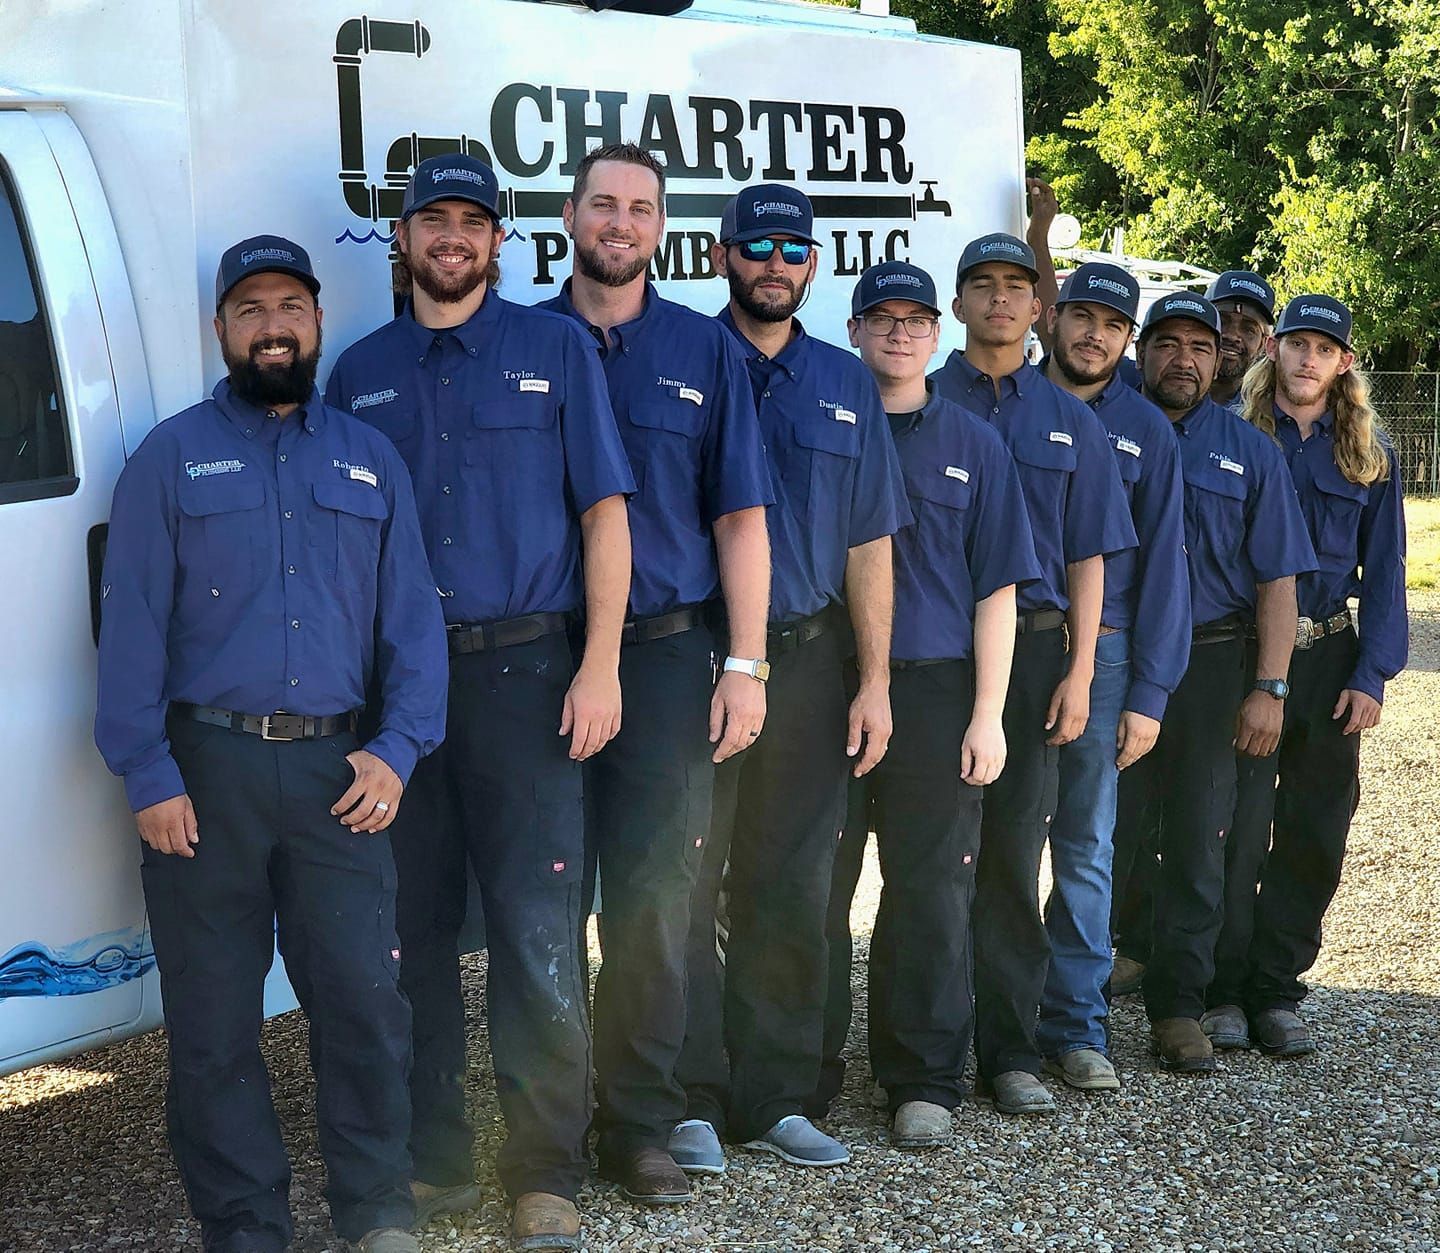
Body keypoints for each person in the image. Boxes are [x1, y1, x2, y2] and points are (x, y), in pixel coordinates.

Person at [94, 236, 448, 1253]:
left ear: (318, 320)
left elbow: (412, 625)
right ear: (221, 328)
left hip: (343, 776)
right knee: (212, 1028)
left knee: (363, 1004)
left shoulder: (368, 459)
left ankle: (377, 1207)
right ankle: (246, 1225)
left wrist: (398, 749)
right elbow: (128, 630)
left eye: (289, 304)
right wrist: (147, 771)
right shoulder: (169, 456)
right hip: (205, 776)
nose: (272, 326)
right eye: (249, 309)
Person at [326, 155, 635, 1252]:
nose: (452, 237)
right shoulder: (357, 371)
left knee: (536, 923)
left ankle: (543, 1167)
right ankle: (435, 1159)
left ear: (502, 240)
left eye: (473, 221)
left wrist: (599, 664)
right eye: (433, 221)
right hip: (397, 689)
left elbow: (606, 514)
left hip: (529, 679)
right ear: (402, 239)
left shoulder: (556, 350)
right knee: (406, 929)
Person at [538, 143, 772, 1205]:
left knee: (651, 898)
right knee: (541, 900)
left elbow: (740, 516)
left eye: (640, 207)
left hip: (673, 654)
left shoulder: (702, 350)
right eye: (602, 204)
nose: (619, 223)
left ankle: (638, 1121)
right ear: (570, 217)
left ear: (662, 229)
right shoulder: (518, 338)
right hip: (541, 658)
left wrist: (748, 663)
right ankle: (541, 1126)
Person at [672, 184, 908, 1172]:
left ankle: (775, 1095)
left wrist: (877, 679)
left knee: (790, 883)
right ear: (723, 255)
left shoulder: (847, 385)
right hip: (687, 658)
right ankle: (683, 1096)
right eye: (757, 244)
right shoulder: (675, 361)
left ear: (813, 265)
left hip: (809, 665)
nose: (776, 261)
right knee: (676, 879)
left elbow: (869, 544)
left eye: (794, 248)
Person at [818, 261, 1039, 1146]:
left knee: (929, 893)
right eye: (884, 318)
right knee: (811, 886)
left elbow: (998, 590)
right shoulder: (820, 426)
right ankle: (804, 1071)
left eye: (916, 319)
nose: (901, 333)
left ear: (937, 334)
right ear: (856, 330)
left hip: (940, 686)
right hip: (826, 683)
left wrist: (988, 712)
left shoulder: (977, 444)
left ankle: (921, 1078)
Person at [930, 233, 1137, 1115]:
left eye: (1019, 286)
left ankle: (1009, 1051)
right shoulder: (915, 395)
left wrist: (1083, 670)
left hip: (1038, 653)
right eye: (984, 286)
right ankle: (928, 1053)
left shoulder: (1071, 419)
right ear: (959, 302)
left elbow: (1090, 556)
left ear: (1036, 309)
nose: (1002, 301)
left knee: (1016, 856)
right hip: (935, 656)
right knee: (932, 862)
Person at [1111, 292, 1316, 1074]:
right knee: (1108, 836)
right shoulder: (1107, 432)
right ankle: (1075, 1002)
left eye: (1200, 346)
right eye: (1167, 343)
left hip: (1212, 661)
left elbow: (1277, 581)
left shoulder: (1250, 451)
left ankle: (1179, 1007)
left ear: (1222, 359)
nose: (1184, 359)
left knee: (1202, 840)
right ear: (1142, 352)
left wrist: (1270, 684)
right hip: (1117, 658)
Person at [1205, 295, 1406, 1056]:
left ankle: (1275, 988)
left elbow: (1385, 570)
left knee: (1315, 829)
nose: (1309, 359)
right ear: (1274, 348)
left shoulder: (1367, 452)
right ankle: (1221, 987)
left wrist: (1373, 673)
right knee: (1233, 825)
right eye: (1298, 344)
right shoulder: (1233, 432)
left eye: (1326, 348)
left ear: (1344, 361)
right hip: (1245, 654)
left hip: (1327, 659)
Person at [1034, 263, 1191, 1090]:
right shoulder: (1006, 404)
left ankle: (1077, 1023)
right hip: (1012, 646)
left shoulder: (1147, 432)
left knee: (1087, 845)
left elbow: (1167, 566)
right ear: (1052, 318)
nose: (1096, 333)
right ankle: (997, 1018)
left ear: (1127, 340)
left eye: (1114, 324)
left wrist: (1150, 695)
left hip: (1113, 651)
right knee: (997, 842)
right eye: (1083, 316)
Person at [1206, 271, 1275, 411]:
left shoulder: (1267, 416)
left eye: (1248, 329)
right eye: (1222, 322)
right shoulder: (1158, 393)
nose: (1232, 336)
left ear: (1263, 344)